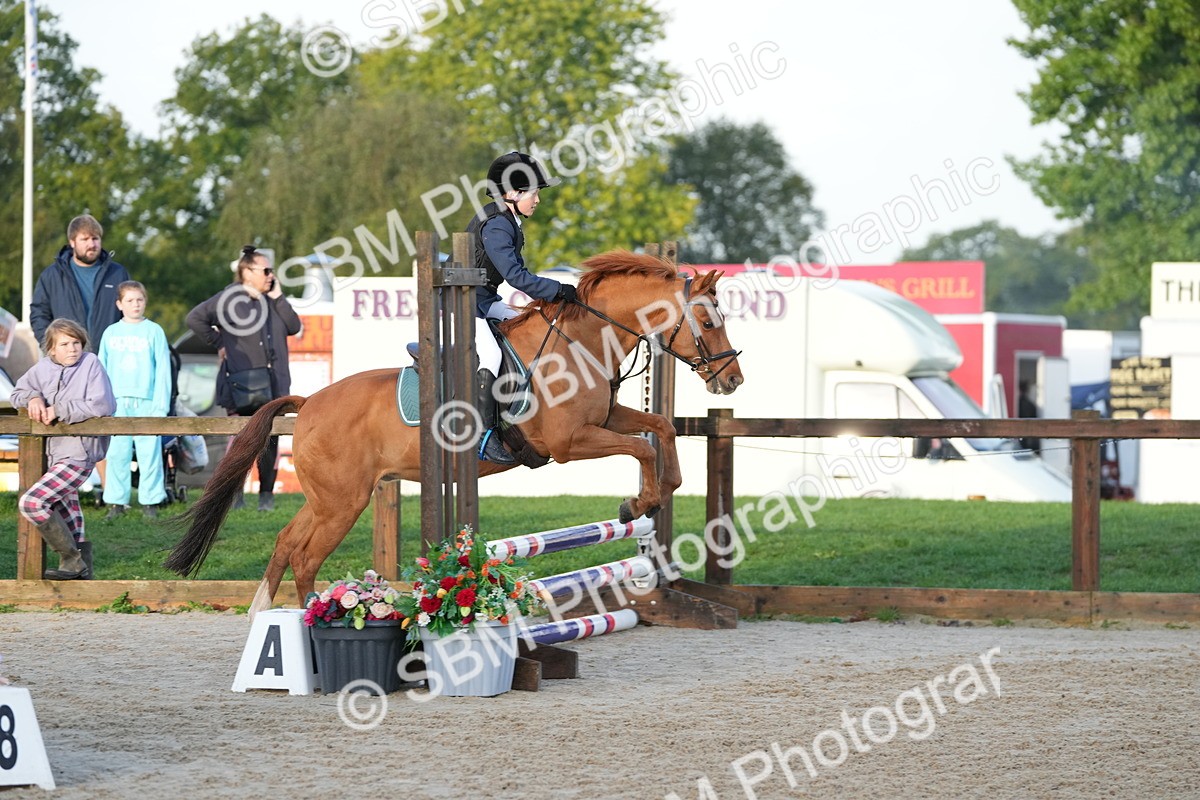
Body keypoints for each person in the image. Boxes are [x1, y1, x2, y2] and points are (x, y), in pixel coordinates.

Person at [466, 151, 575, 464]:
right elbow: (515, 276)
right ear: (512, 194)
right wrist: (557, 290)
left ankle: (528, 419)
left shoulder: (507, 219)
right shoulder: (498, 225)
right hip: (462, 305)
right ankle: (484, 435)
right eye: (534, 193)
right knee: (492, 354)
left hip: (484, 300)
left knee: (533, 328)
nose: (537, 200)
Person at [186, 246, 301, 511]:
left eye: (272, 270)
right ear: (247, 272)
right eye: (266, 270)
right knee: (241, 441)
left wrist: (279, 297)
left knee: (272, 439)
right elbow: (195, 319)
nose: (271, 275)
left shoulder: (273, 301)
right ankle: (235, 494)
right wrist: (219, 342)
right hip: (241, 385)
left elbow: (294, 326)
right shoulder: (230, 299)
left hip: (275, 384)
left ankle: (266, 496)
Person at [11, 318, 116, 580]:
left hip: (81, 453)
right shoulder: (42, 368)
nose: (72, 349)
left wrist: (59, 410)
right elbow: (17, 393)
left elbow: (102, 405)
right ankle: (82, 577)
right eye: (65, 344)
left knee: (32, 502)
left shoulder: (90, 363)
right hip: (54, 453)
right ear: (52, 349)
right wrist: (33, 397)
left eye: (76, 342)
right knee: (67, 508)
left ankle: (72, 559)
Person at [98, 281, 172, 520]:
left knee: (149, 453)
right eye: (129, 300)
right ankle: (116, 503)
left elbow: (162, 369)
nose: (135, 304)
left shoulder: (154, 331)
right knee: (117, 454)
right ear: (120, 304)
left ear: (145, 301)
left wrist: (161, 406)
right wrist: (102, 403)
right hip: (117, 402)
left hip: (147, 402)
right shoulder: (111, 333)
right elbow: (102, 370)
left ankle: (150, 502)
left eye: (139, 299)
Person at [30, 214, 131, 352]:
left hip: (110, 359)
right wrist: (51, 348)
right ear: (72, 242)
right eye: (85, 239)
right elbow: (39, 314)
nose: (92, 244)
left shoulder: (118, 274)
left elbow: (131, 314)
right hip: (67, 361)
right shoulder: (51, 276)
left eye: (95, 238)